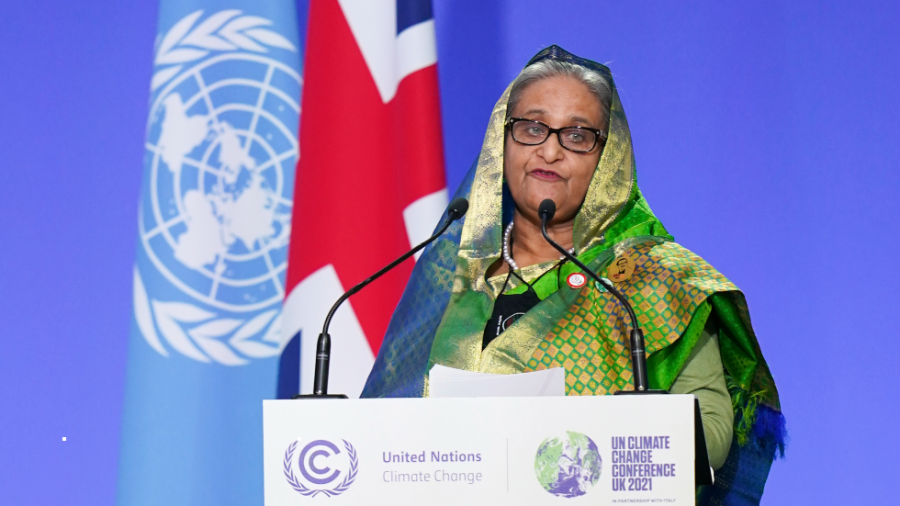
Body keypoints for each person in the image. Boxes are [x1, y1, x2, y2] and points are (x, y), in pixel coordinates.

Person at [362, 46, 785, 503]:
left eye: (578, 135)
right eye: (531, 127)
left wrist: (581, 440)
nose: (549, 149)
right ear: (502, 141)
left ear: (609, 157)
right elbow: (387, 418)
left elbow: (715, 434)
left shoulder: (654, 279)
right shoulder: (453, 274)